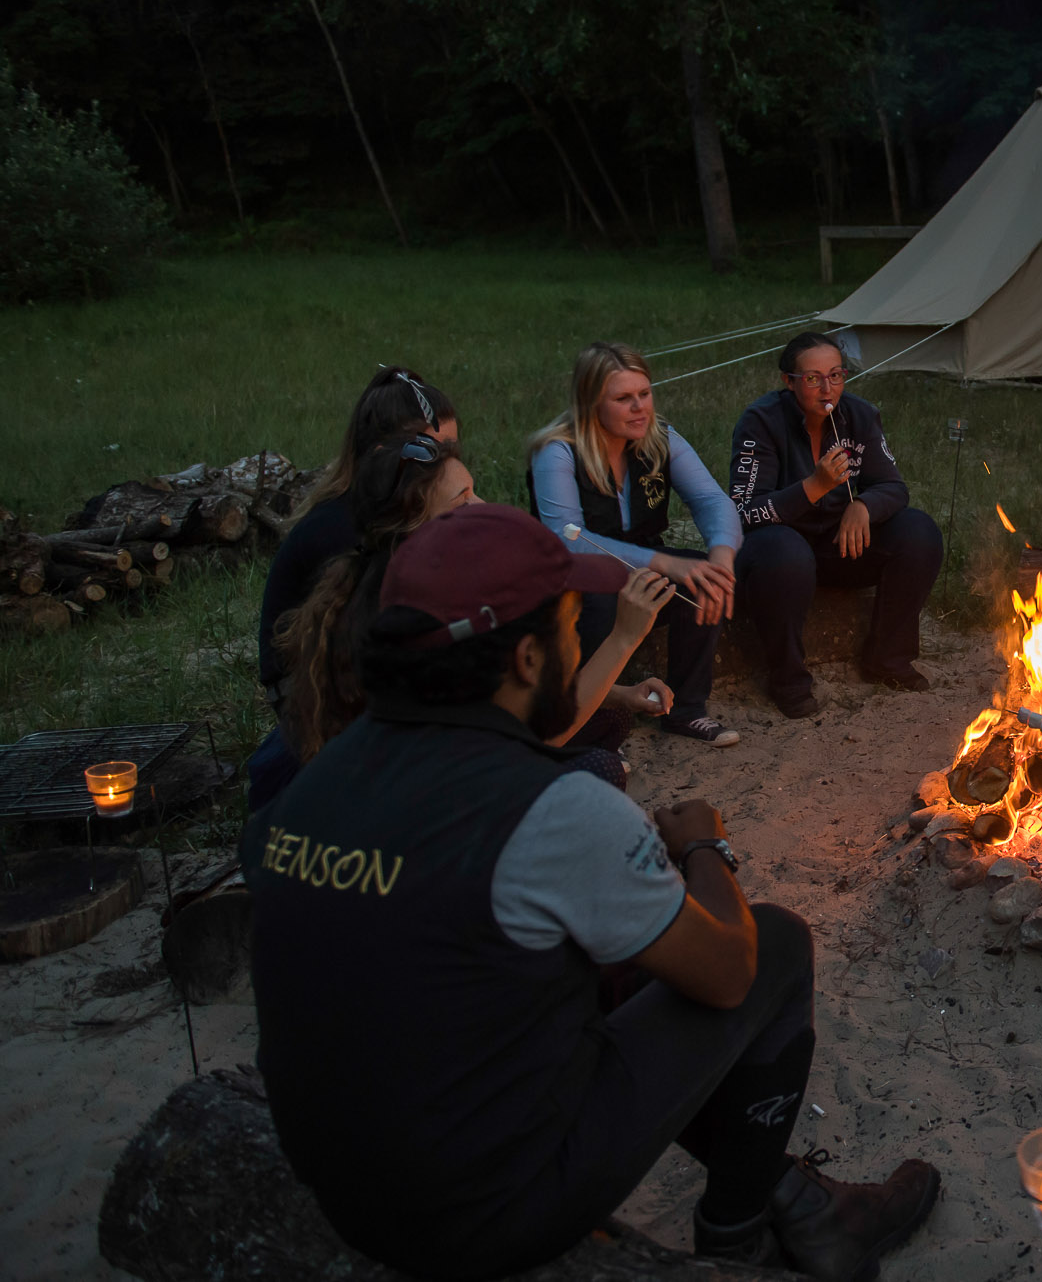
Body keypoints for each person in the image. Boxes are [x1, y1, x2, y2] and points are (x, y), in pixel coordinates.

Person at [242, 505, 939, 1280]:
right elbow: (727, 971)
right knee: (771, 944)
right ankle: (742, 1235)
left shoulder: (313, 785)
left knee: (609, 961)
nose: (580, 646)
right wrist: (703, 846)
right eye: (575, 627)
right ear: (528, 660)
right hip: (484, 1214)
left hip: (346, 1189)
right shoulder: (550, 809)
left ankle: (793, 1196)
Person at [276, 436, 673, 789]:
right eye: (462, 500)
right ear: (415, 526)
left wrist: (620, 694)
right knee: (599, 769)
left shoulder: (386, 582)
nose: (483, 506)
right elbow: (524, 739)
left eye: (474, 491)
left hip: (442, 764)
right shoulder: (428, 622)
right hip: (443, 797)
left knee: (612, 715)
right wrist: (623, 639)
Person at [251, 366, 457, 808]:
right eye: (430, 451)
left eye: (451, 450)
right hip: (314, 694)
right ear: (385, 454)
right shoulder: (346, 530)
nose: (446, 464)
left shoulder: (403, 511)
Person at [530, 342, 743, 747]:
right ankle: (586, 726)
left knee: (702, 579)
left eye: (644, 393)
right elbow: (567, 538)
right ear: (590, 402)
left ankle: (686, 709)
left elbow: (712, 502)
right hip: (574, 577)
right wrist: (664, 562)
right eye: (623, 398)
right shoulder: (557, 451)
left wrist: (721, 559)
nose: (639, 407)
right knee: (596, 601)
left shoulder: (659, 437)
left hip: (640, 568)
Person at [727, 333, 944, 718]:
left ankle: (888, 659)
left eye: (836, 375)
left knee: (918, 532)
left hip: (837, 544)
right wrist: (814, 487)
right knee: (786, 552)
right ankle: (788, 680)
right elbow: (745, 511)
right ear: (789, 381)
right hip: (776, 553)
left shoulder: (858, 416)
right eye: (813, 378)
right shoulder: (761, 422)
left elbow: (893, 487)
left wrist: (863, 505)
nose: (827, 389)